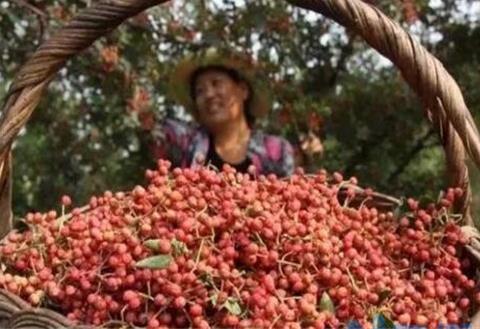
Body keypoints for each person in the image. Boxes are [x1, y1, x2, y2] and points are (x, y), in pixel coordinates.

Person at [150, 48, 295, 177]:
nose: (209, 95)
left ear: (243, 90)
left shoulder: (277, 150)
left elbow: (292, 198)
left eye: (216, 83)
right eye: (199, 91)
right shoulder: (186, 142)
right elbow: (155, 130)